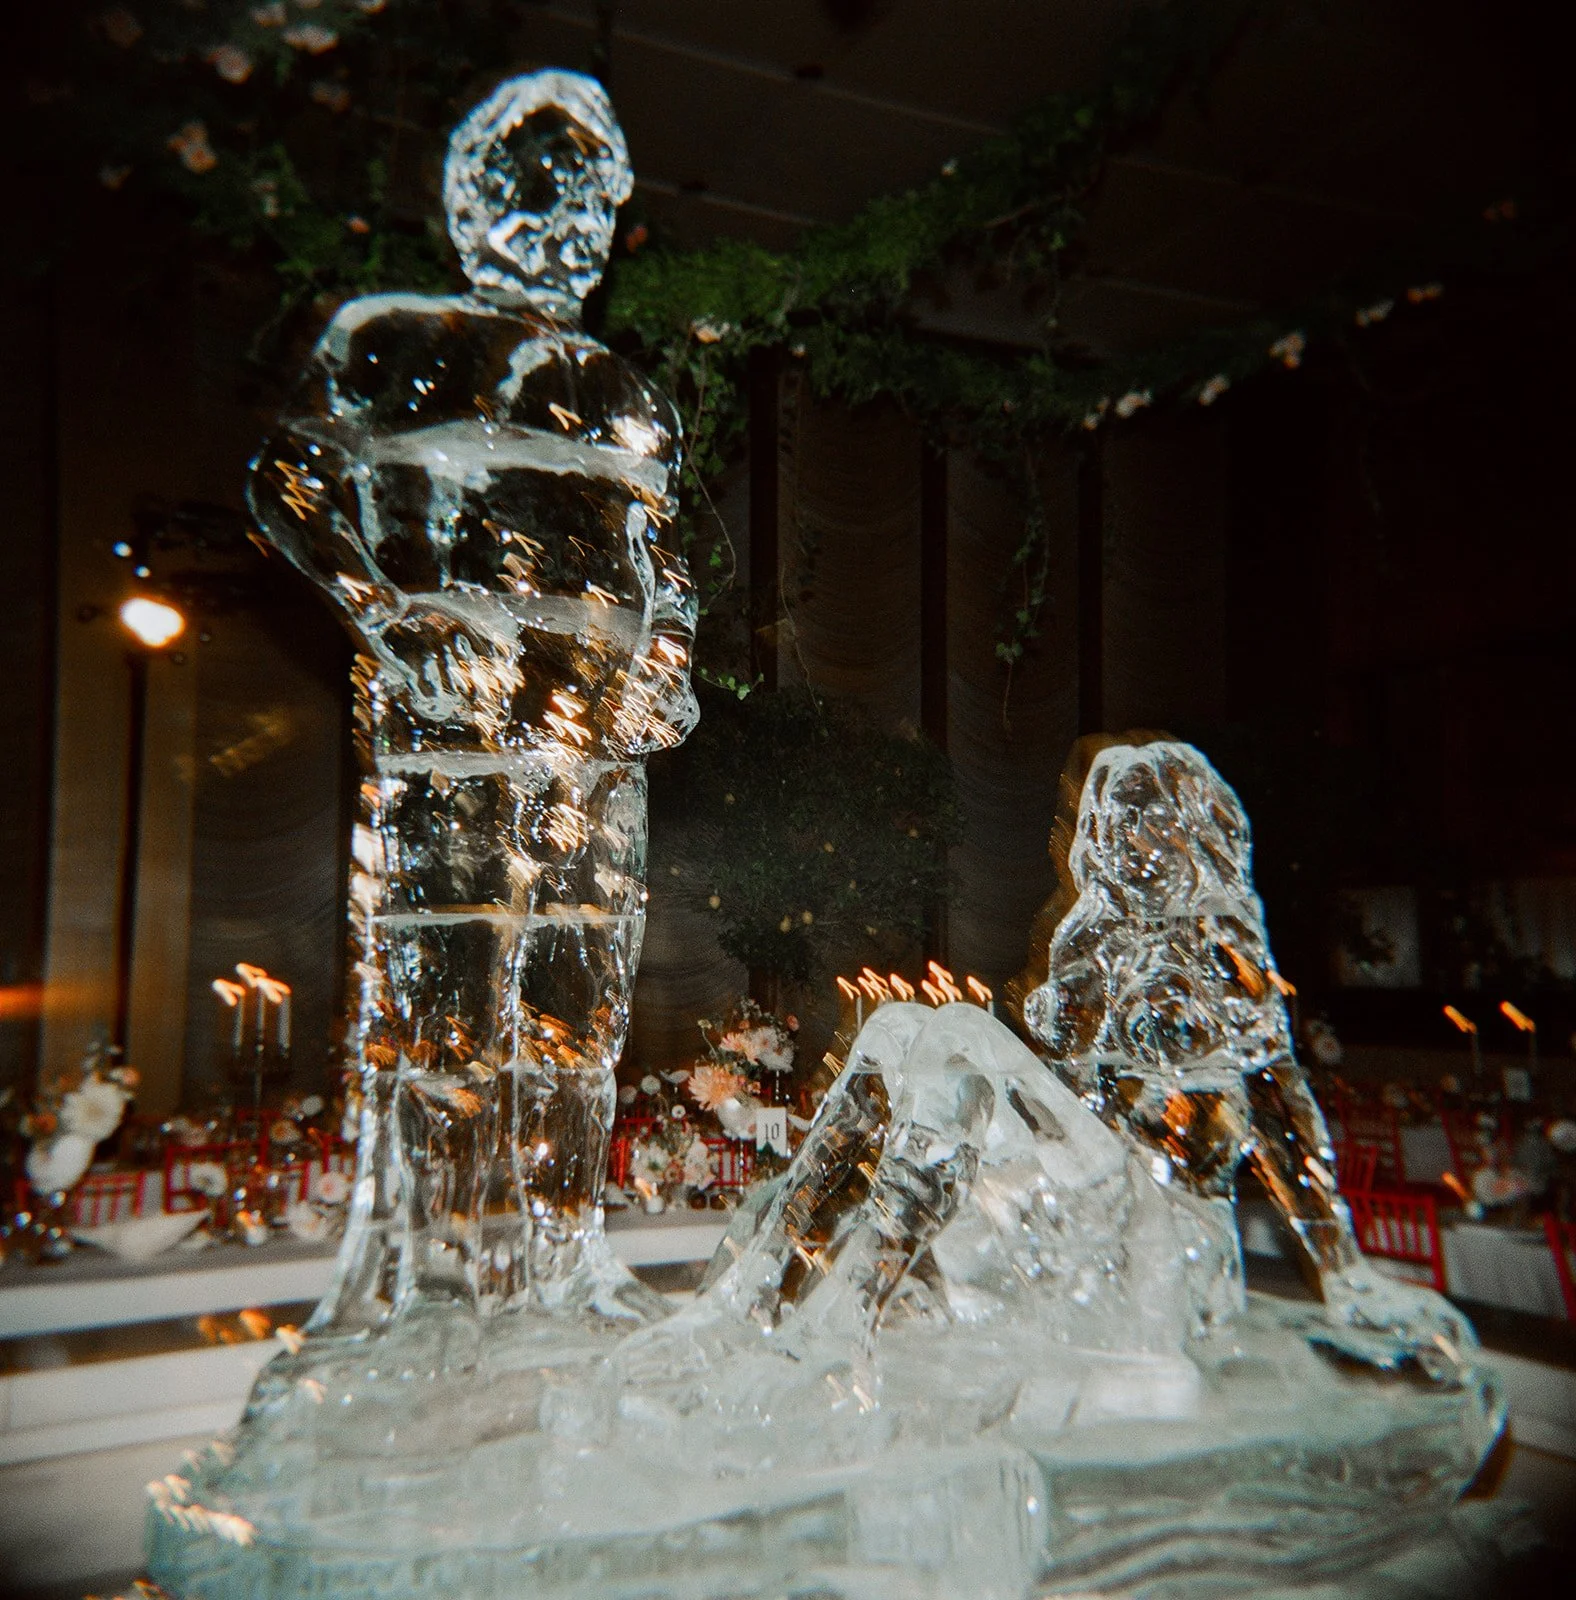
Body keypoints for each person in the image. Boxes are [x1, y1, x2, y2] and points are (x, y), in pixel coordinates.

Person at [247, 71, 697, 1336]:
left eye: (590, 202)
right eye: (534, 190)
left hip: (597, 754)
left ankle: (562, 1251)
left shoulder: (628, 393)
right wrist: (391, 612)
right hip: (450, 735)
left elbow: (659, 564)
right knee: (440, 995)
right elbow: (284, 481)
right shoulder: (388, 338)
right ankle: (427, 1276)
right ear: (469, 200)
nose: (565, 225)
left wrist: (667, 656)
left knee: (578, 1002)